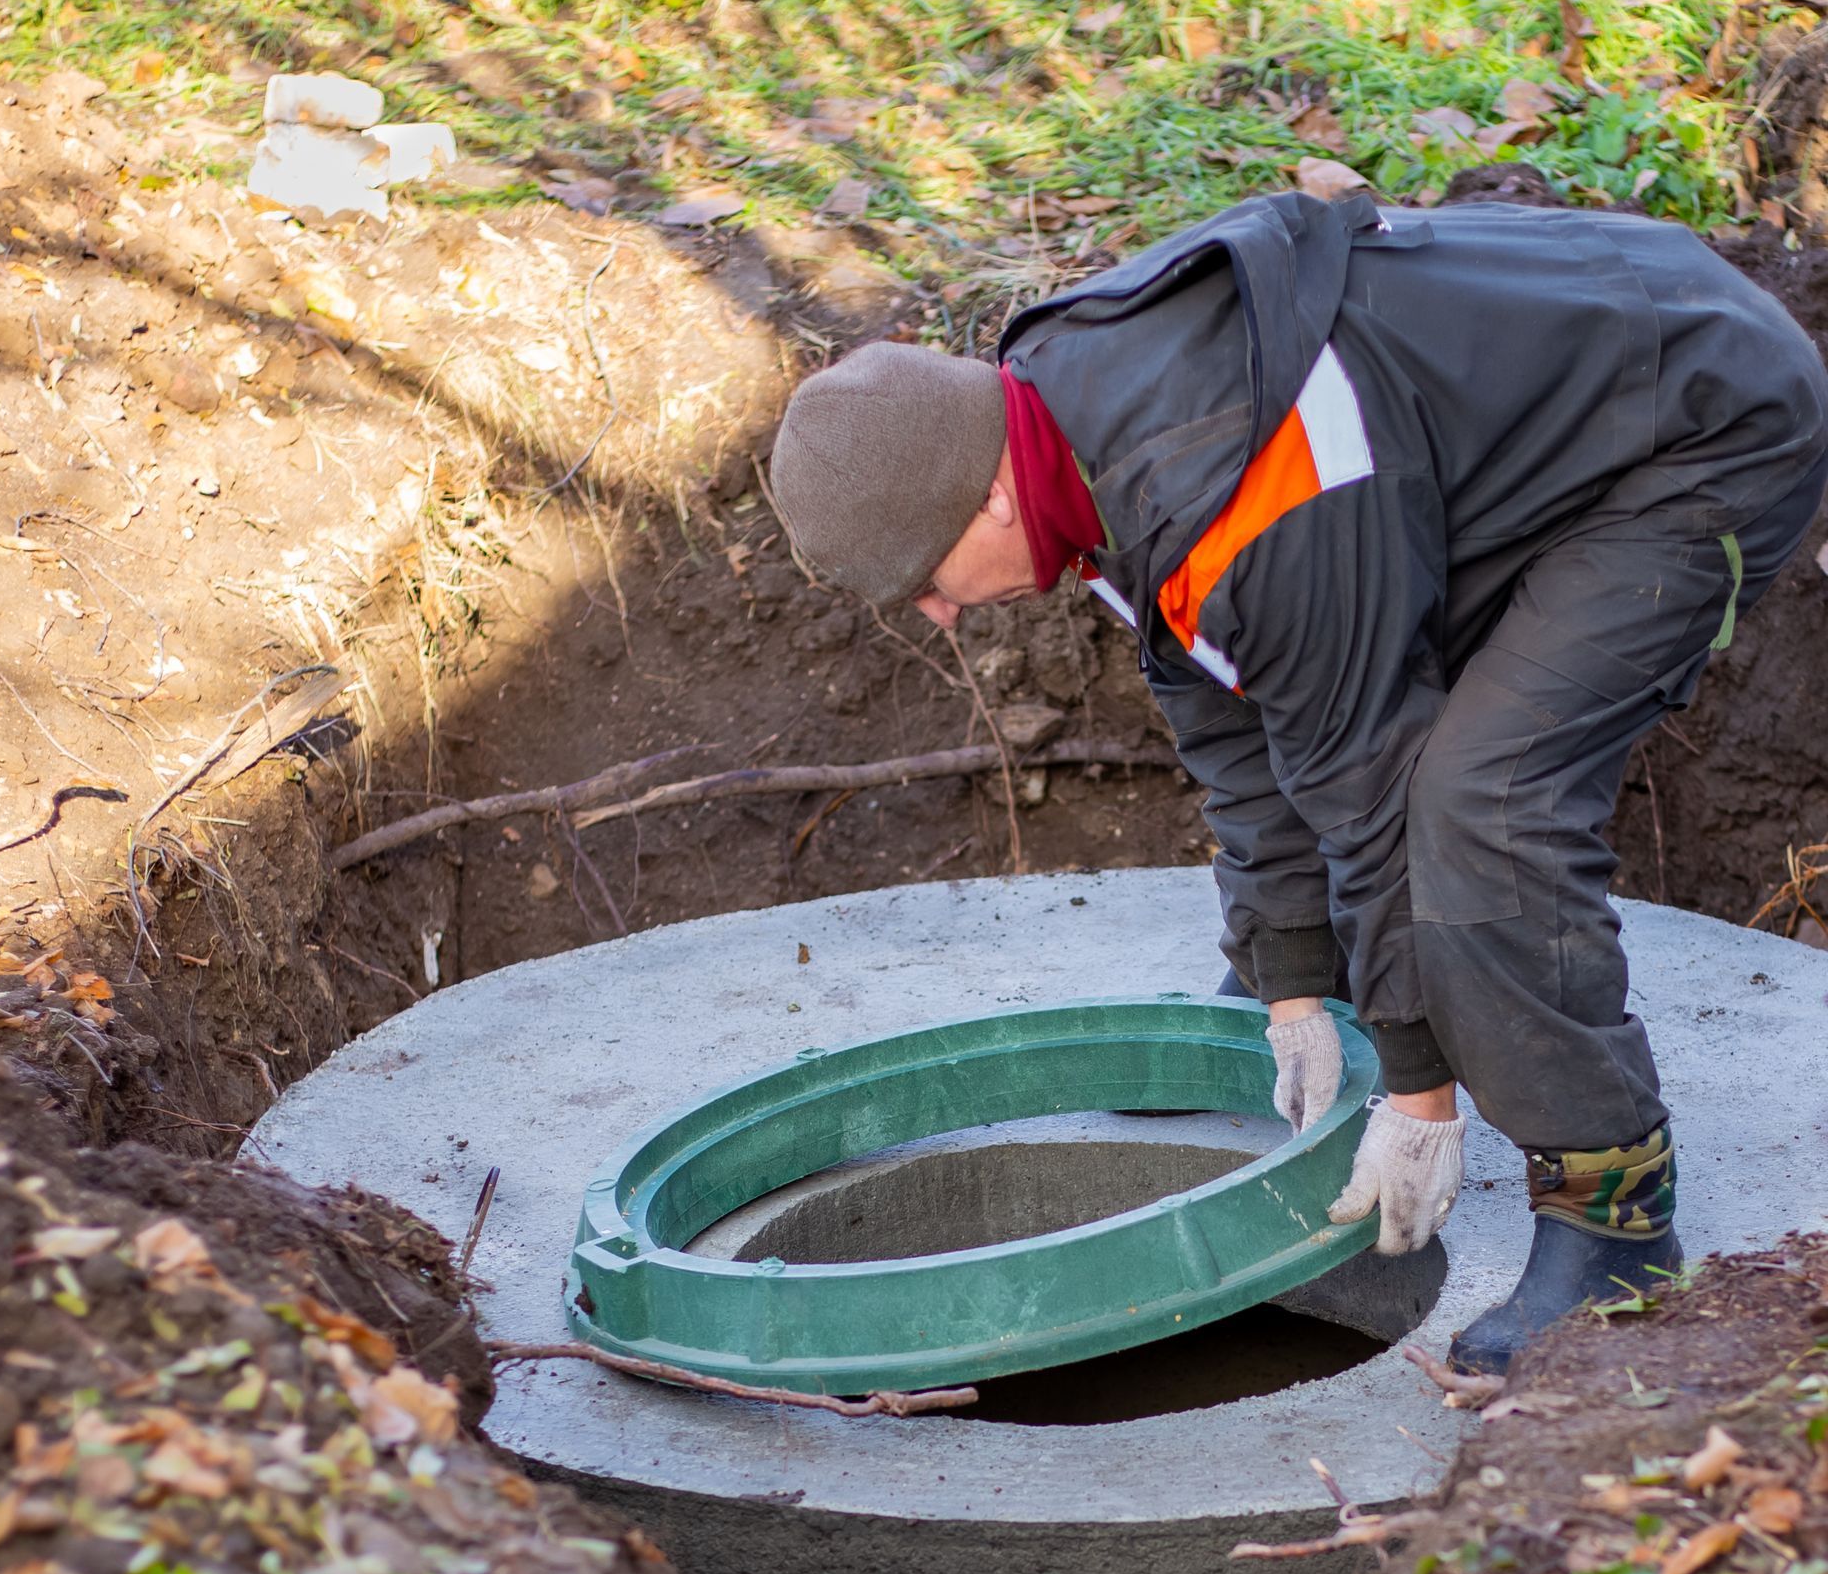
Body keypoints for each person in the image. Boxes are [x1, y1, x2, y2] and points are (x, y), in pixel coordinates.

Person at [768, 192, 1828, 1374]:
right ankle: (1334, 977)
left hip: (1698, 428)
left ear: (991, 495)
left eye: (927, 575)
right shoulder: (1056, 420)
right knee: (1361, 753)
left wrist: (1419, 1097)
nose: (939, 610)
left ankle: (1613, 1221)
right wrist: (1291, 978)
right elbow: (1231, 712)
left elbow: (1365, 779)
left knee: (1480, 804)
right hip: (1542, 399)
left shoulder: (1238, 484)